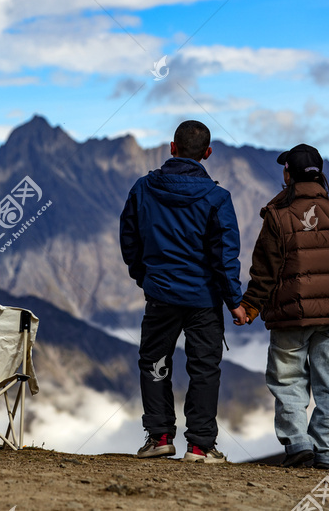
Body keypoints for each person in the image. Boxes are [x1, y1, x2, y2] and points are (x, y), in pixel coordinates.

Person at [120, 120, 247, 463]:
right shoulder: (218, 198)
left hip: (161, 294)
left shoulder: (143, 188)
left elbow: (129, 240)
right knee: (204, 368)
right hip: (204, 299)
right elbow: (225, 256)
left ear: (172, 148)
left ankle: (159, 437)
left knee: (155, 361)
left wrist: (144, 277)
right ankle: (200, 447)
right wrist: (234, 301)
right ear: (207, 153)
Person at [238, 143, 329, 470]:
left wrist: (251, 307)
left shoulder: (277, 216)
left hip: (291, 316)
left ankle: (298, 446)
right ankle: (327, 454)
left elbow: (264, 271)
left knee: (288, 380)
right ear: (320, 174)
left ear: (287, 174)